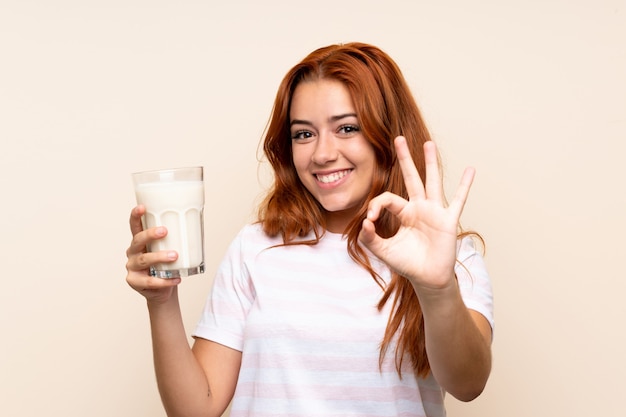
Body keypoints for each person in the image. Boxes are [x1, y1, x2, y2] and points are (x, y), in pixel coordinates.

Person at [126, 42, 493, 417]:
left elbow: (469, 385)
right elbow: (195, 410)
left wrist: (436, 289)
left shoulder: (448, 257)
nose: (321, 153)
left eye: (347, 128)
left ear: (387, 135)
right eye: (304, 134)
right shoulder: (255, 248)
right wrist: (161, 302)